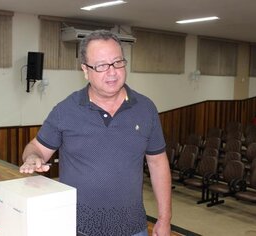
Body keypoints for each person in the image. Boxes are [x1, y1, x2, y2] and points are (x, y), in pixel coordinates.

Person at [19, 30, 172, 236]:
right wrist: (32, 157)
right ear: (85, 70)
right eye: (101, 65)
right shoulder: (66, 110)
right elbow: (36, 147)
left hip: (133, 228)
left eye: (117, 62)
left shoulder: (146, 108)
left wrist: (164, 219)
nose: (112, 72)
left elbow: (158, 164)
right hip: (77, 228)